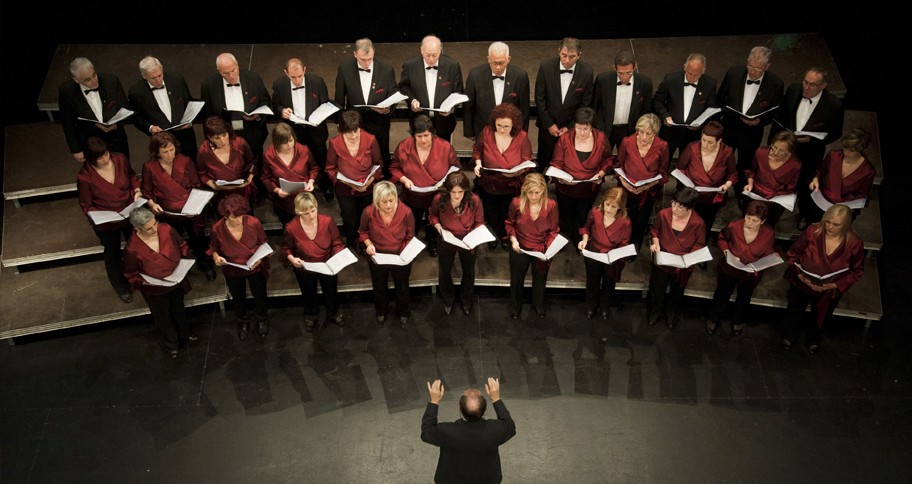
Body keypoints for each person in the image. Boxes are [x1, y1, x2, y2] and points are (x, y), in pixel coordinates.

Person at [781, 204, 864, 354]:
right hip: (802, 283)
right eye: (828, 222)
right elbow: (793, 255)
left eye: (836, 224)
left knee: (821, 316)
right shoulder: (812, 232)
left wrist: (834, 286)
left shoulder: (854, 244)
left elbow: (856, 272)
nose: (830, 227)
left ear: (845, 225)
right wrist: (801, 276)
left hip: (829, 289)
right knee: (794, 310)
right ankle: (790, 334)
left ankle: (813, 338)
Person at [769, 67, 844, 229]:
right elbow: (780, 117)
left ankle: (805, 215)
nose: (806, 87)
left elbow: (835, 133)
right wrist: (772, 144)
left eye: (812, 85)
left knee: (804, 185)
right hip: (787, 147)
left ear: (823, 86)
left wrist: (811, 139)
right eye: (805, 82)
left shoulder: (833, 105)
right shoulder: (794, 90)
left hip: (810, 151)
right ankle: (772, 214)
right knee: (778, 181)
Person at [141, 131, 216, 282]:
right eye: (165, 152)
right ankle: (179, 268)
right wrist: (152, 204)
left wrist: (195, 205)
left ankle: (205, 264)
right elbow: (146, 191)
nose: (169, 155)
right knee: (172, 242)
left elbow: (196, 185)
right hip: (167, 213)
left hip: (190, 210)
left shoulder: (185, 160)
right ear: (157, 152)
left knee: (199, 239)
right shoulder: (149, 167)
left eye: (171, 150)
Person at [123, 208, 196, 359]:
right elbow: (131, 275)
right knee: (163, 317)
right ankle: (171, 344)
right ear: (137, 229)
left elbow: (182, 245)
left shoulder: (166, 228)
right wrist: (151, 282)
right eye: (149, 228)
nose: (155, 229)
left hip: (175, 280)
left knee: (178, 309)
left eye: (155, 223)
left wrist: (184, 263)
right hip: (155, 290)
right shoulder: (131, 248)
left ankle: (185, 334)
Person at [77, 137, 140, 302]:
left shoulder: (119, 159)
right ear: (91, 159)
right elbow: (86, 206)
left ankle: (142, 276)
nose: (105, 159)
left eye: (106, 155)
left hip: (128, 212)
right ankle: (121, 286)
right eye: (100, 158)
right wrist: (105, 217)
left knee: (136, 245)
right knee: (112, 253)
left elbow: (132, 176)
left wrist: (138, 190)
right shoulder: (85, 176)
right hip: (107, 222)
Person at [390, 114, 461, 257]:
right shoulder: (404, 146)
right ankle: (411, 245)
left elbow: (455, 167)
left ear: (433, 134)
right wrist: (404, 179)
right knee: (411, 223)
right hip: (412, 195)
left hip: (436, 196)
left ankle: (432, 244)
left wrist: (444, 182)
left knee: (433, 223)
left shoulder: (445, 147)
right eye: (419, 136)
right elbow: (394, 168)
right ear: (413, 135)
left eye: (427, 136)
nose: (423, 140)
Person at [421, 377, 516, 484]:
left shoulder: (447, 431)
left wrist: (434, 401)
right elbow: (510, 426)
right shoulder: (495, 429)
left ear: (459, 408)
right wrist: (496, 399)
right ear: (485, 409)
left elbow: (426, 432)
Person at [705, 201, 776, 336]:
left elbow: (769, 253)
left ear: (762, 221)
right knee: (722, 294)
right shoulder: (734, 226)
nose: (749, 223)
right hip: (731, 267)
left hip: (751, 271)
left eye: (754, 220)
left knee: (744, 297)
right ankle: (713, 319)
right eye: (748, 217)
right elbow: (722, 239)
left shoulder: (768, 233)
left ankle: (737, 321)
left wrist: (758, 264)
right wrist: (727, 253)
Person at [715, 47, 784, 183]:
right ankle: (719, 189)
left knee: (745, 163)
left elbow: (776, 110)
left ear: (767, 67)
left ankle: (741, 190)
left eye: (757, 69)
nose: (752, 72)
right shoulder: (733, 73)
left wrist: (760, 122)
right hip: (730, 125)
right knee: (722, 159)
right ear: (747, 61)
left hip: (752, 131)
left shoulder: (776, 83)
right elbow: (720, 99)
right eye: (750, 66)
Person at [208, 195, 271, 342]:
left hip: (254, 265)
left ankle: (261, 319)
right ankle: (243, 321)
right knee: (238, 297)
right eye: (233, 217)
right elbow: (214, 246)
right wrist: (216, 257)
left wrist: (260, 259)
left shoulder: (253, 222)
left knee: (260, 294)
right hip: (232, 268)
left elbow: (264, 242)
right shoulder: (217, 228)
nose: (238, 220)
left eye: (240, 216)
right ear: (225, 215)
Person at [472, 103, 534, 252]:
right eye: (499, 125)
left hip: (511, 184)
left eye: (507, 127)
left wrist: (516, 173)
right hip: (490, 183)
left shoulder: (522, 137)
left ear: (514, 124)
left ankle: (506, 236)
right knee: (491, 211)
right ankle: (492, 236)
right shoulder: (487, 132)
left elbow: (527, 161)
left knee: (508, 211)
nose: (502, 130)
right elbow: (477, 150)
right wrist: (478, 164)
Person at [334, 38, 400, 174]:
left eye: (370, 59)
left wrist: (388, 109)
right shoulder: (345, 68)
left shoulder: (386, 69)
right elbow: (339, 97)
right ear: (355, 54)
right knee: (358, 158)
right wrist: (340, 122)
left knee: (382, 155)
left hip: (379, 122)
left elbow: (394, 93)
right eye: (363, 60)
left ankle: (384, 181)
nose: (366, 63)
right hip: (355, 124)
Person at [282, 192, 346, 333]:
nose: (311, 216)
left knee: (331, 291)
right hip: (305, 266)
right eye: (306, 213)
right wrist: (292, 259)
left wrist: (336, 257)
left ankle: (333, 313)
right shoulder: (291, 227)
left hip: (327, 264)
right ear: (298, 212)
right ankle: (311, 315)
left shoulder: (327, 221)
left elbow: (337, 242)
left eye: (313, 211)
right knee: (308, 292)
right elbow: (286, 248)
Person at [271, 57, 333, 200]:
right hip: (295, 130)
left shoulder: (317, 81)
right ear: (286, 73)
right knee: (298, 160)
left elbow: (325, 103)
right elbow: (276, 104)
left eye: (300, 76)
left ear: (304, 70)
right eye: (293, 77)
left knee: (321, 158)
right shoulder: (279, 85)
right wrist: (281, 111)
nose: (297, 80)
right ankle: (300, 186)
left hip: (315, 129)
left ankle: (326, 185)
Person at [549, 107, 611, 246]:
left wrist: (601, 173)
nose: (582, 132)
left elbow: (607, 160)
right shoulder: (565, 138)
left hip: (588, 188)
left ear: (592, 127)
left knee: (583, 215)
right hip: (566, 187)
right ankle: (563, 239)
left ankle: (579, 240)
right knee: (565, 215)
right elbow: (556, 162)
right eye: (578, 128)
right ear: (574, 125)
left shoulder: (600, 138)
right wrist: (562, 178)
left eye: (586, 129)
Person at [359, 181, 416, 328]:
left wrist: (404, 251)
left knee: (402, 285)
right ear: (377, 200)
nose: (389, 205)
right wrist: (368, 244)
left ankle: (404, 312)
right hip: (377, 255)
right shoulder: (368, 212)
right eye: (384, 202)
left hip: (400, 256)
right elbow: (363, 231)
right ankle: (381, 311)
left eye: (392, 201)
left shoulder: (406, 211)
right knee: (379, 285)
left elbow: (410, 236)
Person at [647, 187, 705, 329]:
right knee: (657, 289)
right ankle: (655, 311)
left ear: (689, 208)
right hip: (662, 260)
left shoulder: (698, 223)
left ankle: (672, 314)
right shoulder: (664, 214)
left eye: (680, 207)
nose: (674, 208)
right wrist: (655, 244)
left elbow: (699, 244)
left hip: (682, 265)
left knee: (677, 292)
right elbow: (655, 230)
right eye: (674, 203)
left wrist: (688, 258)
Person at [429, 171, 486, 316]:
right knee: (445, 270)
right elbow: (433, 216)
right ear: (447, 190)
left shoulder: (474, 200)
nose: (456, 196)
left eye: (460, 191)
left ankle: (466, 300)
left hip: (468, 240)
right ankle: (448, 299)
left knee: (469, 270)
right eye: (453, 192)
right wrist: (440, 229)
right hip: (446, 239)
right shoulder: (439, 199)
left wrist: (472, 236)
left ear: (466, 190)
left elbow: (479, 223)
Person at [326, 110, 384, 249]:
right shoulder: (335, 143)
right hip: (345, 189)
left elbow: (378, 163)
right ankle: (352, 243)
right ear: (341, 131)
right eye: (348, 132)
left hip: (367, 187)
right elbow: (330, 168)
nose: (353, 135)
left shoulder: (370, 139)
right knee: (349, 218)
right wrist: (348, 183)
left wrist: (369, 182)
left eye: (356, 131)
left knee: (366, 217)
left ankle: (366, 243)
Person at [534, 37, 594, 172]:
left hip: (571, 127)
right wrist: (549, 124)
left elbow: (585, 104)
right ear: (559, 51)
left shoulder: (587, 72)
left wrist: (570, 127)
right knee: (543, 159)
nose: (567, 61)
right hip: (547, 125)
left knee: (567, 161)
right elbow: (539, 98)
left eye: (572, 57)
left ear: (579, 55)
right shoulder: (546, 67)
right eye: (564, 55)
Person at [614, 113, 670, 257]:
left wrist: (647, 186)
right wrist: (624, 183)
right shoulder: (627, 141)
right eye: (641, 132)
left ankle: (633, 246)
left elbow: (664, 173)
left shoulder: (662, 146)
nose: (644, 137)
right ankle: (620, 244)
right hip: (626, 189)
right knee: (622, 218)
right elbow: (618, 164)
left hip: (647, 192)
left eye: (649, 134)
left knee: (640, 222)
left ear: (655, 133)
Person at [506, 173, 560, 319]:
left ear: (543, 190)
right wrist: (513, 240)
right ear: (525, 190)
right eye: (530, 192)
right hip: (520, 247)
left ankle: (538, 305)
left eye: (537, 192)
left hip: (541, 248)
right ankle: (515, 307)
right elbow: (510, 224)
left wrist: (547, 249)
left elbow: (554, 231)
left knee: (540, 279)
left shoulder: (551, 205)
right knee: (517, 279)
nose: (534, 196)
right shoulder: (516, 203)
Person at [200, 53, 271, 160]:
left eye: (233, 70)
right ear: (218, 70)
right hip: (225, 137)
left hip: (252, 134)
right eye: (225, 73)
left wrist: (258, 115)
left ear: (237, 65)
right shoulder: (209, 86)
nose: (231, 76)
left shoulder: (253, 78)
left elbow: (265, 100)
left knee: (255, 167)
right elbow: (207, 115)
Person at [58, 57, 130, 162]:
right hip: (90, 142)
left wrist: (116, 125)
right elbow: (67, 123)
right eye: (87, 79)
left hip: (116, 139)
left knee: (123, 170)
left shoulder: (111, 81)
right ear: (76, 80)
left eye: (94, 75)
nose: (94, 81)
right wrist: (76, 149)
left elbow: (125, 107)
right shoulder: (66, 91)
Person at [673, 120, 736, 240]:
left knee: (705, 224)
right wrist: (686, 183)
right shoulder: (692, 147)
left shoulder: (727, 152)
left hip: (712, 197)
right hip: (691, 195)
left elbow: (732, 174)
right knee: (686, 223)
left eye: (710, 142)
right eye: (704, 140)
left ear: (719, 141)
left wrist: (726, 186)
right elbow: (680, 167)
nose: (705, 145)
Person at [128, 56, 198, 160]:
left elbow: (188, 102)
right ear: (144, 76)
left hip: (186, 138)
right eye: (153, 78)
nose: (158, 80)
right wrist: (151, 128)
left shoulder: (177, 80)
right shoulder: (136, 91)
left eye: (160, 75)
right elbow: (136, 118)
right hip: (162, 143)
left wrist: (190, 121)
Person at [578, 187, 631, 323]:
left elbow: (624, 243)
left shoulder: (625, 222)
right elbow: (586, 228)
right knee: (592, 281)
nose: (609, 209)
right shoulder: (595, 212)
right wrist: (584, 240)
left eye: (613, 206)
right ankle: (591, 306)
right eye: (607, 204)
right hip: (594, 251)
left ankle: (605, 307)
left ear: (620, 206)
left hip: (611, 257)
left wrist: (616, 255)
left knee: (609, 284)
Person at [399, 35, 464, 142]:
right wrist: (412, 100)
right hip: (419, 120)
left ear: (440, 50)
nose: (431, 59)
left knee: (443, 154)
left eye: (435, 55)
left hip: (444, 121)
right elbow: (403, 86)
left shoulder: (452, 66)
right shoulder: (410, 65)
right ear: (421, 50)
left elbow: (458, 91)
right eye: (427, 55)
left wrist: (451, 108)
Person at [652, 53, 717, 158]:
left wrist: (701, 123)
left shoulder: (710, 84)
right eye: (689, 73)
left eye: (696, 75)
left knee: (687, 166)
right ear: (684, 67)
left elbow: (710, 108)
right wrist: (665, 116)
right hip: (670, 132)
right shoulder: (671, 80)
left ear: (703, 70)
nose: (692, 78)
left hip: (692, 136)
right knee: (662, 162)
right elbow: (657, 101)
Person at [463, 41, 530, 139]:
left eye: (501, 63)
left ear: (508, 59)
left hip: (510, 133)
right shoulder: (475, 75)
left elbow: (524, 109)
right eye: (494, 63)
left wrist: (521, 135)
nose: (498, 67)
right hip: (483, 131)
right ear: (488, 59)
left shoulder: (520, 76)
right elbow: (468, 106)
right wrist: (470, 132)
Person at [806, 128, 875, 225]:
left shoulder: (868, 171)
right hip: (822, 199)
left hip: (844, 207)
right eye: (845, 148)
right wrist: (816, 179)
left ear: (862, 150)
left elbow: (862, 194)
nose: (846, 152)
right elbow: (821, 171)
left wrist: (850, 206)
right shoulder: (834, 155)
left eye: (851, 150)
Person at [260, 123, 319, 227]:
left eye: (291, 140)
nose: (289, 145)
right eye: (284, 142)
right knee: (289, 228)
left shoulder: (303, 150)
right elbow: (265, 178)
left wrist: (311, 181)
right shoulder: (269, 156)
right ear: (277, 142)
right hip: (284, 200)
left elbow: (314, 168)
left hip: (305, 197)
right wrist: (277, 190)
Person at [593, 51, 654, 149]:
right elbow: (595, 106)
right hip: (607, 129)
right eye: (620, 73)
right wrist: (599, 129)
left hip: (630, 131)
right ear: (614, 68)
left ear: (635, 67)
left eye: (629, 73)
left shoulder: (645, 83)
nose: (624, 77)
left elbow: (646, 110)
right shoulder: (603, 80)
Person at [744, 131, 801, 228]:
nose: (775, 152)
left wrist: (775, 197)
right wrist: (750, 183)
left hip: (775, 200)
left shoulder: (795, 165)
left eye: (781, 150)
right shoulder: (761, 152)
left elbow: (791, 187)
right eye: (774, 147)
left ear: (790, 151)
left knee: (767, 226)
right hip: (755, 193)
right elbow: (752, 171)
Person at [196, 116, 256, 203]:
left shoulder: (239, 143)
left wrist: (249, 178)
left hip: (242, 190)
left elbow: (252, 163)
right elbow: (202, 173)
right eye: (217, 138)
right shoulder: (204, 151)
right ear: (210, 138)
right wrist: (213, 186)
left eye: (224, 135)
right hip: (220, 193)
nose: (223, 141)